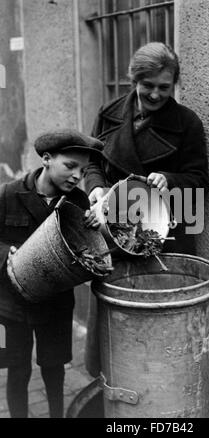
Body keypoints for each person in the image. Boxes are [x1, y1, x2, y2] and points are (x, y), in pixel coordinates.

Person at [84, 42, 209, 377]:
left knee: (159, 327)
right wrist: (96, 187)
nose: (155, 94)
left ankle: (165, 392)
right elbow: (92, 162)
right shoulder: (108, 113)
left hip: (164, 236)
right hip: (114, 233)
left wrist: (171, 179)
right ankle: (113, 384)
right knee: (116, 318)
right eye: (148, 86)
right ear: (134, 80)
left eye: (164, 87)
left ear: (174, 85)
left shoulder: (187, 123)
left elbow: (200, 181)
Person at [0, 129, 103, 418]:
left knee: (54, 368)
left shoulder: (79, 202)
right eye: (70, 166)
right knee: (17, 369)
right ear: (46, 159)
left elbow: (89, 250)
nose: (76, 176)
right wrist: (5, 252)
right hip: (11, 305)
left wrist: (96, 224)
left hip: (55, 303)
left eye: (82, 171)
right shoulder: (8, 193)